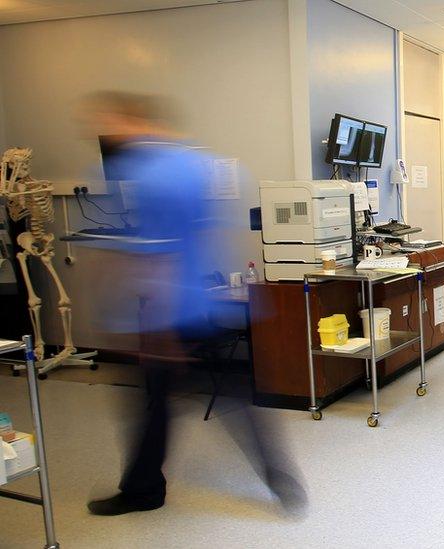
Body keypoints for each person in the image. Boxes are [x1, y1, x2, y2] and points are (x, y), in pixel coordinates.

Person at [79, 91, 305, 516]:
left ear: (130, 121)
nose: (104, 133)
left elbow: (160, 252)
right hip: (198, 300)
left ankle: (144, 490)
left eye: (109, 122)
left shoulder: (148, 174)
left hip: (169, 310)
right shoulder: (189, 165)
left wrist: (156, 330)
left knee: (155, 402)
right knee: (220, 397)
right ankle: (279, 477)